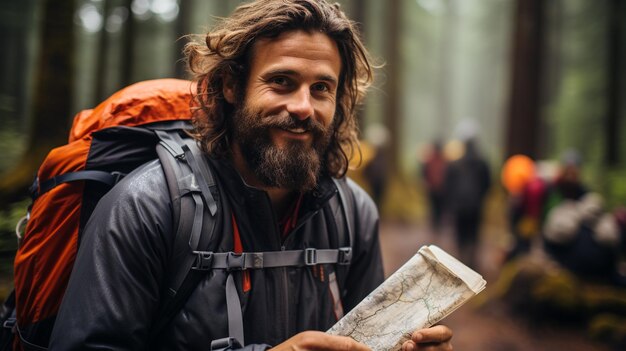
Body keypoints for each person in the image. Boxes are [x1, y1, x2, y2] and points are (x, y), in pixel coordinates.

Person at [49, 1, 453, 350]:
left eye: (321, 89)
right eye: (281, 82)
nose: (303, 107)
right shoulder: (146, 208)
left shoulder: (352, 213)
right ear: (229, 85)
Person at [444, 138, 491, 271]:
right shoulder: (482, 163)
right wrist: (481, 198)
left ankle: (461, 259)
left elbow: (449, 186)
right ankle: (471, 260)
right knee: (474, 233)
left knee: (460, 234)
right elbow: (487, 184)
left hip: (459, 207)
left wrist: (450, 204)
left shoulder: (455, 164)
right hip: (476, 206)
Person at [420, 140, 447, 231]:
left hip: (439, 188)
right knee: (435, 207)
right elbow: (424, 172)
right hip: (435, 188)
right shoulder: (435, 160)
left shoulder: (440, 160)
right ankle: (436, 224)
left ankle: (437, 223)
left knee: (438, 207)